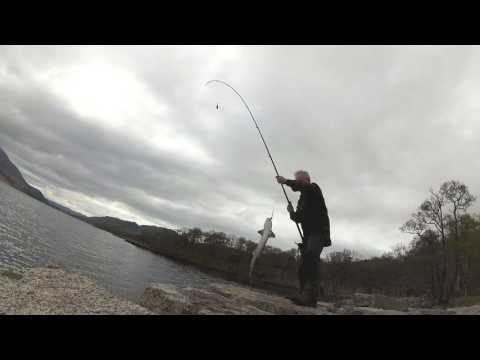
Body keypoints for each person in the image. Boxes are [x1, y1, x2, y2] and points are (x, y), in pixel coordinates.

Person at [276, 170, 331, 307]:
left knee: (311, 256)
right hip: (308, 236)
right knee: (303, 266)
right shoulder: (302, 200)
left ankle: (311, 297)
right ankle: (303, 294)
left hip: (319, 233)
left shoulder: (314, 188)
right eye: (297, 181)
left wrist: (286, 181)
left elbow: (304, 187)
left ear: (307, 179)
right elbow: (298, 218)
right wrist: (291, 212)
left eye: (300, 181)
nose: (298, 183)